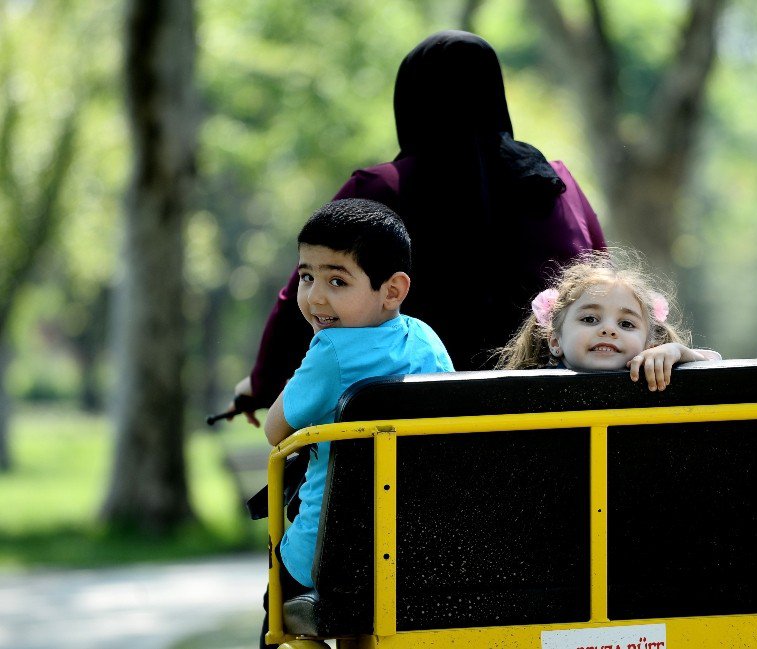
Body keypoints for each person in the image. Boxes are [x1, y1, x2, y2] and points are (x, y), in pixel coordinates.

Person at [230, 29, 605, 425]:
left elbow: (307, 291)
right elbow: (602, 282)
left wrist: (260, 383)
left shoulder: (380, 189)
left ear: (409, 101)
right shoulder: (556, 183)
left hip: (416, 434)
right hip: (558, 417)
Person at [259, 198, 453, 648]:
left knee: (273, 611)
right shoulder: (427, 340)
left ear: (392, 290)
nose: (315, 297)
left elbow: (274, 430)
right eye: (306, 276)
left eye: (337, 280)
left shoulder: (332, 352)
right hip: (415, 547)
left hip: (327, 554)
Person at [497, 250, 720, 390]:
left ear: (649, 346)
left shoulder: (654, 379)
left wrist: (678, 353)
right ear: (556, 341)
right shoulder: (530, 390)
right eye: (590, 319)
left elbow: (719, 371)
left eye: (626, 324)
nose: (608, 330)